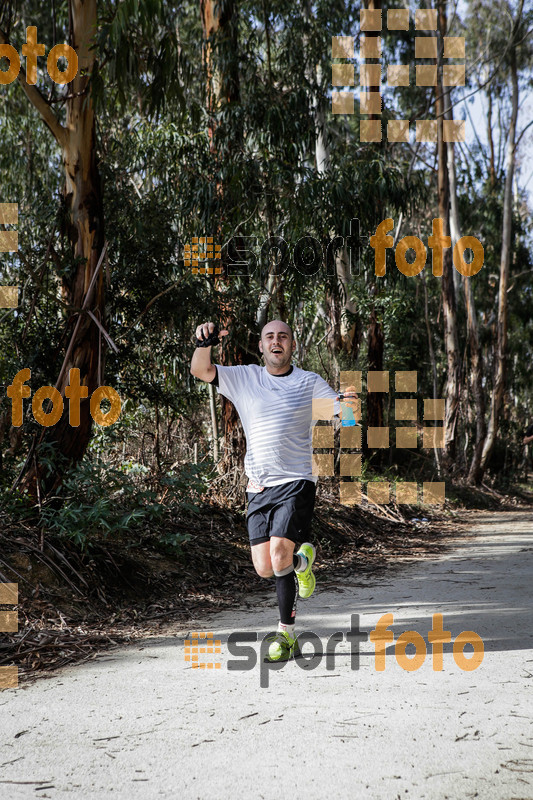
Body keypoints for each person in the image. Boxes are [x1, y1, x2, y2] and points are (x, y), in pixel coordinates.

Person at [190, 319, 357, 662]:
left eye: (283, 336)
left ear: (293, 346)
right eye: (270, 337)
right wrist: (203, 341)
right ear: (262, 346)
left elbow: (346, 418)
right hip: (258, 486)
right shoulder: (244, 378)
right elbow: (200, 369)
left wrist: (351, 406)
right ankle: (302, 562)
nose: (276, 341)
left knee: (278, 555)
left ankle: (286, 635)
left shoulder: (309, 383)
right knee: (266, 568)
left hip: (296, 481)